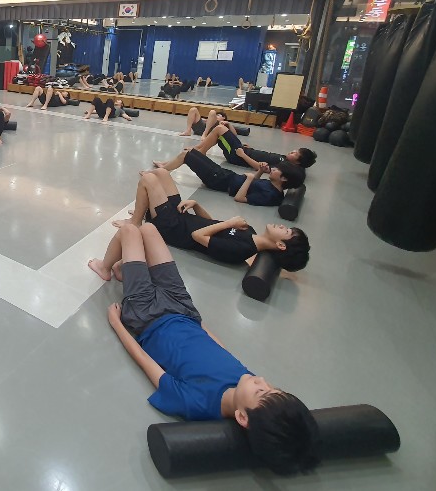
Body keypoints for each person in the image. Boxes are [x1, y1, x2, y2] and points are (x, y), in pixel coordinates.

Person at [86, 222, 320, 475]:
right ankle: (127, 270)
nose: (261, 380)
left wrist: (116, 323)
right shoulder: (245, 382)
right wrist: (195, 318)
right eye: (272, 387)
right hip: (183, 308)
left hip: (147, 315)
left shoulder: (196, 403)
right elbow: (218, 348)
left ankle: (106, 268)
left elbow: (144, 360)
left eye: (262, 391)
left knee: (130, 231)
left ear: (242, 417)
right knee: (150, 229)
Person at [112, 167, 310, 269]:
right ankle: (142, 211)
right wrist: (197, 205)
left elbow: (198, 236)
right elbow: (212, 224)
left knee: (148, 179)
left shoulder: (241, 250)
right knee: (161, 173)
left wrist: (230, 223)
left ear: (281, 245)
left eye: (286, 231)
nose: (282, 226)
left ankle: (135, 223)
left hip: (173, 229)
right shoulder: (250, 232)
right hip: (182, 217)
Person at [154, 141, 305, 207]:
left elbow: (240, 198)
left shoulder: (271, 196)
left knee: (186, 155)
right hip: (225, 175)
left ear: (283, 178)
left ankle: (160, 171)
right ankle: (165, 166)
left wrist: (249, 178)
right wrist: (260, 171)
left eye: (277, 170)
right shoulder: (273, 185)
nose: (273, 169)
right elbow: (255, 184)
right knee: (190, 151)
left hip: (219, 181)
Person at [200, 123, 317, 170]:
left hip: (237, 156)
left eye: (295, 154)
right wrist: (250, 149)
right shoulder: (285, 159)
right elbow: (263, 156)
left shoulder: (283, 166)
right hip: (244, 151)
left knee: (220, 129)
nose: (292, 151)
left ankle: (200, 151)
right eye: (295, 150)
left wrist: (243, 155)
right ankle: (200, 150)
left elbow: (259, 167)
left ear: (297, 162)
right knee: (221, 130)